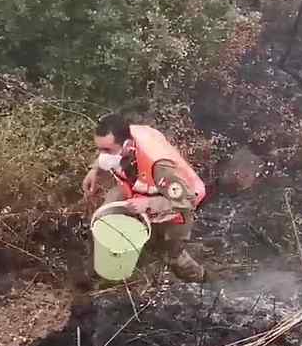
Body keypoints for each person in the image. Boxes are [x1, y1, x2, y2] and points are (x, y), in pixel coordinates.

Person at [82, 114, 208, 283]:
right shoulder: (123, 137)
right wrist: (94, 170)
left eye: (106, 151)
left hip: (179, 203)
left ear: (127, 146)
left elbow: (187, 201)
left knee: (173, 256)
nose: (102, 156)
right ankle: (104, 270)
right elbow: (108, 152)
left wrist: (148, 204)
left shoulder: (159, 166)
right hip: (141, 191)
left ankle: (202, 279)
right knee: (106, 217)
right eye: (99, 150)